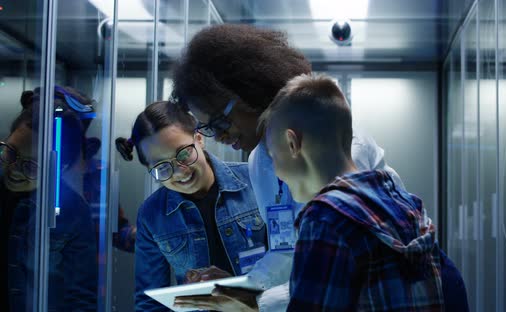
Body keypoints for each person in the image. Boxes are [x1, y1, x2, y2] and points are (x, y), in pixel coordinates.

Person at [171, 24, 406, 311]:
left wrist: (254, 302)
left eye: (220, 122)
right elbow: (286, 250)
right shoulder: (259, 160)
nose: (218, 136)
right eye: (208, 128)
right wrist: (242, 286)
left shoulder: (340, 148)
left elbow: (340, 272)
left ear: (249, 91)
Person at [259, 73, 446, 310]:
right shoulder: (405, 203)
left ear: (292, 143)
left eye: (274, 156)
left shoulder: (325, 218)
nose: (276, 170)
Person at [115, 101, 267, 311]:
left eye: (184, 154)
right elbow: (148, 303)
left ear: (199, 139)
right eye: (161, 167)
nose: (179, 172)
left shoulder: (255, 179)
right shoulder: (152, 214)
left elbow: (292, 266)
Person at [1, 88, 98, 311]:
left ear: (57, 167)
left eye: (31, 165)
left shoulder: (72, 210)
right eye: (11, 153)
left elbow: (82, 294)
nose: (14, 170)